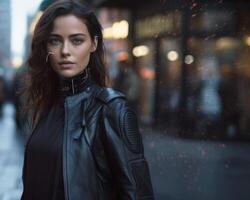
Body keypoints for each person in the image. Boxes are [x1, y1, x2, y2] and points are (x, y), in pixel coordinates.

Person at [20, 1, 154, 200]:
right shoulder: (45, 104)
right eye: (55, 41)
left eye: (76, 40)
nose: (65, 50)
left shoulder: (111, 109)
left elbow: (137, 194)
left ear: (93, 44)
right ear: (46, 46)